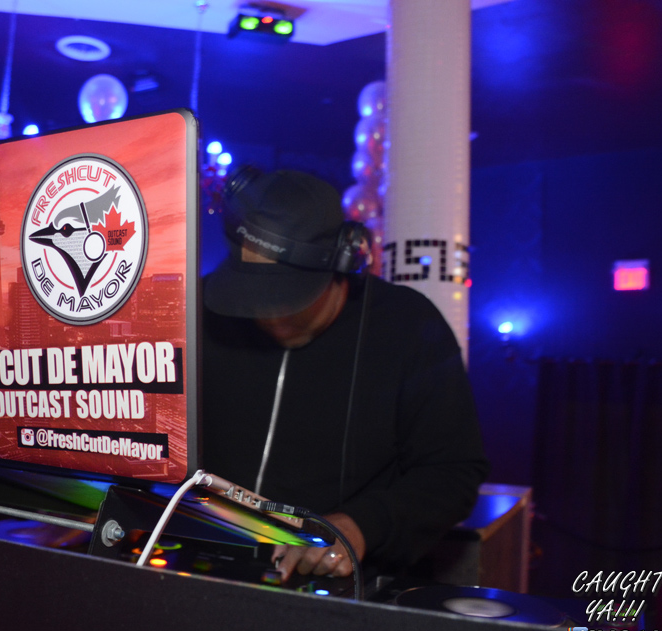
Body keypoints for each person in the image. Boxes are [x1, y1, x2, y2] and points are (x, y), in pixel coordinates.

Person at [202, 167, 488, 583]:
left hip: (343, 590)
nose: (269, 317)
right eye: (252, 299)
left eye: (288, 299)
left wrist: (361, 525)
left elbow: (452, 471)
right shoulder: (198, 314)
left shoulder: (410, 328)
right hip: (202, 570)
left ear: (344, 259)